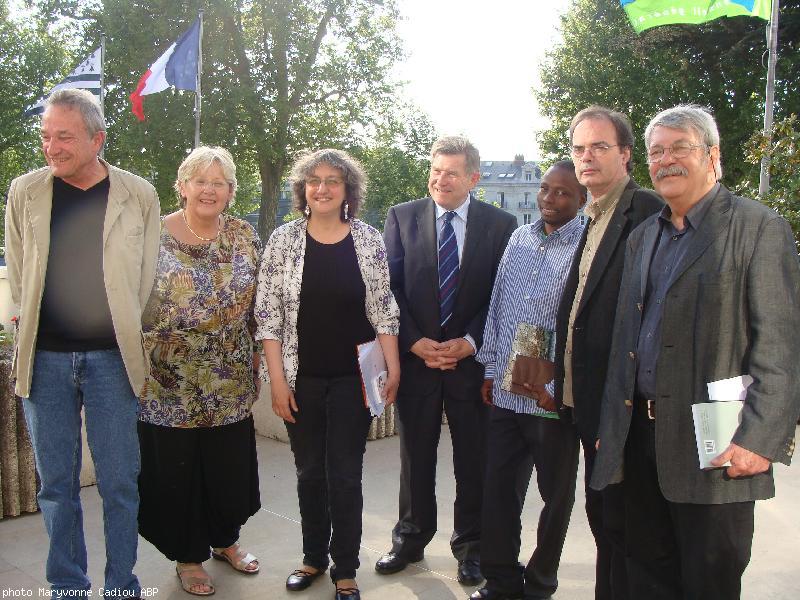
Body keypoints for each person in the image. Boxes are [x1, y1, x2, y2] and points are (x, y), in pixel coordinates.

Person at [591, 104, 800, 600]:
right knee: (645, 579)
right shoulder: (644, 237)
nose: (666, 160)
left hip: (718, 449)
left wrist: (759, 441)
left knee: (709, 582)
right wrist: (611, 429)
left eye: (679, 148)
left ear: (712, 156)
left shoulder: (756, 227)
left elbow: (780, 346)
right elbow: (625, 343)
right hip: (639, 442)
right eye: (656, 152)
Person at [4, 88, 160, 598]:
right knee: (55, 486)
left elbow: (146, 278)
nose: (52, 147)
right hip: (44, 362)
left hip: (114, 360)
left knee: (119, 484)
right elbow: (20, 272)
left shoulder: (138, 194)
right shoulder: (24, 191)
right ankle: (67, 586)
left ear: (97, 139)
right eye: (46, 136)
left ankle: (121, 586)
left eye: (64, 137)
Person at [255, 148, 400, 600]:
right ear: (303, 189)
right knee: (309, 473)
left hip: (354, 380)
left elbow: (383, 310)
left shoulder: (368, 239)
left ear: (347, 190)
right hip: (301, 380)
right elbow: (268, 318)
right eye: (314, 180)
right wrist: (278, 383)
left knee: (345, 476)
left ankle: (346, 569)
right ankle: (313, 557)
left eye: (333, 180)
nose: (322, 188)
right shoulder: (283, 241)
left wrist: (394, 368)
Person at [378, 136, 518, 586]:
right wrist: (414, 342)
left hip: (470, 367)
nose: (441, 180)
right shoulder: (402, 217)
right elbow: (389, 288)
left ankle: (471, 547)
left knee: (474, 461)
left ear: (473, 178)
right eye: (436, 171)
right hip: (417, 362)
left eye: (452, 173)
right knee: (415, 458)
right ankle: (410, 539)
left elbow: (503, 292)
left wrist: (471, 341)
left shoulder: (501, 224)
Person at [136, 145, 262, 596]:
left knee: (227, 468)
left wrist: (258, 358)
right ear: (182, 186)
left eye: (219, 183)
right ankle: (188, 556)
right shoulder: (151, 234)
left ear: (230, 191)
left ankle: (226, 540)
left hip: (230, 378)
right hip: (167, 381)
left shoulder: (244, 233)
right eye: (200, 181)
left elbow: (260, 303)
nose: (209, 190)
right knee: (177, 472)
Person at [553, 106, 662, 600]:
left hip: (626, 411)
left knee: (628, 529)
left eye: (599, 146)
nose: (587, 157)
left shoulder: (648, 213)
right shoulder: (593, 215)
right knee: (604, 521)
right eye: (579, 148)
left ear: (626, 154)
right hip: (588, 403)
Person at [469, 161, 586, 600]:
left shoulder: (587, 245)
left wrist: (559, 389)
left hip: (551, 398)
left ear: (582, 199)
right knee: (499, 490)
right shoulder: (519, 238)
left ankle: (540, 583)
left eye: (563, 192)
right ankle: (500, 580)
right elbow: (498, 305)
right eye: (545, 189)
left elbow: (588, 327)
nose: (549, 199)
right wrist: (490, 368)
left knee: (556, 497)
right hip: (506, 392)